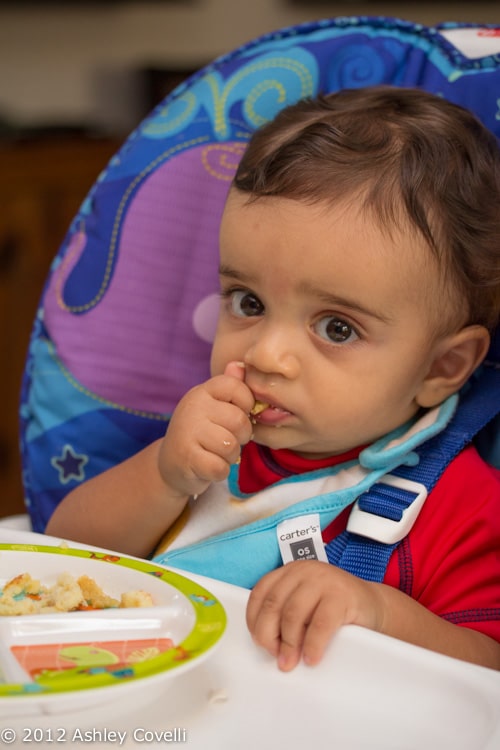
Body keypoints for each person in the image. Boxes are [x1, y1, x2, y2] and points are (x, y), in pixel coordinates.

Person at [46, 86, 500, 673]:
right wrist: (163, 475)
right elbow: (67, 554)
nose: (267, 355)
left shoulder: (461, 509)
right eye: (248, 301)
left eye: (337, 327)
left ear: (442, 368)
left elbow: (487, 677)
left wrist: (378, 613)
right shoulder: (207, 447)